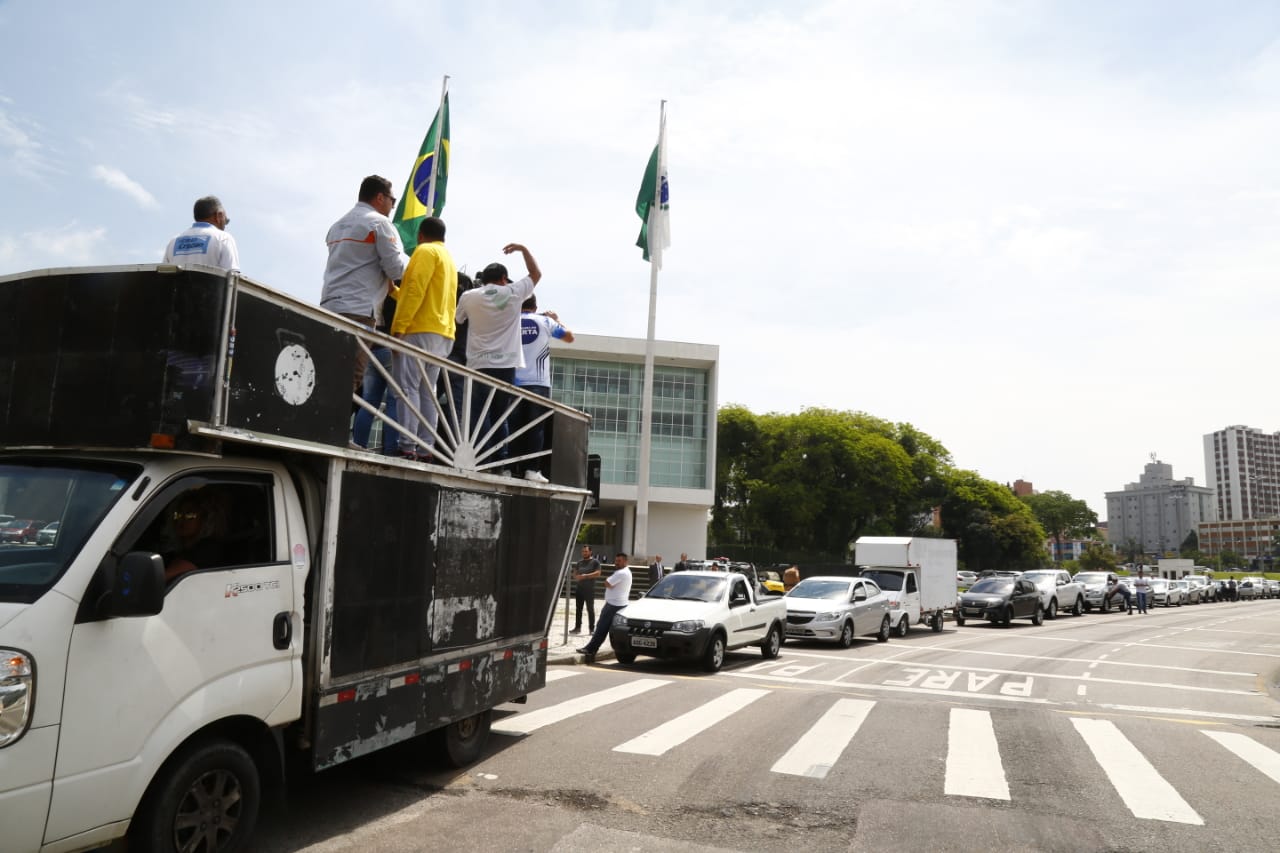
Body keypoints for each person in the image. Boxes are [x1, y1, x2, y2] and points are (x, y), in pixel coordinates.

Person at [320, 175, 410, 400]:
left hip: (329, 306)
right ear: (380, 198)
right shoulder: (380, 223)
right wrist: (416, 260)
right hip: (358, 310)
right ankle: (330, 433)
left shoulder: (337, 225)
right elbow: (397, 270)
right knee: (350, 376)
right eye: (393, 199)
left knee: (328, 373)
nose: (392, 205)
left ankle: (318, 430)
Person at [454, 244, 541, 470]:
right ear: (504, 278)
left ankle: (479, 458)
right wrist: (523, 250)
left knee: (477, 415)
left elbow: (458, 320)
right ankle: (499, 462)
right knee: (499, 416)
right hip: (505, 364)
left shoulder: (469, 296)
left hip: (477, 364)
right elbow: (536, 274)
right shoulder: (513, 293)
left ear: (484, 280)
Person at [389, 217, 457, 460]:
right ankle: (426, 447)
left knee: (407, 389)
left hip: (418, 330)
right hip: (442, 333)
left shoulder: (424, 251)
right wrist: (395, 292)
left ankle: (407, 446)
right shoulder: (448, 258)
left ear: (420, 234)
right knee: (428, 393)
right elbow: (425, 295)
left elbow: (416, 290)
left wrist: (398, 328)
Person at [512, 294, 574, 482]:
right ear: (535, 305)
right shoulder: (545, 321)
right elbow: (570, 338)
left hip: (512, 381)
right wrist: (557, 319)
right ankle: (531, 470)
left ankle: (506, 467)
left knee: (511, 425)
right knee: (535, 427)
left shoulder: (510, 321)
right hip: (538, 383)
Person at [351, 291, 400, 454]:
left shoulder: (377, 291)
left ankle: (358, 446)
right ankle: (391, 450)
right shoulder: (400, 293)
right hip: (392, 349)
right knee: (394, 401)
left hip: (372, 348)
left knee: (368, 402)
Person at [577, 552, 634, 660]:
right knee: (603, 628)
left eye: (619, 561)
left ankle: (590, 649)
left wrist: (608, 580)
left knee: (601, 628)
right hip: (619, 604)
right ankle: (592, 650)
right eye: (616, 560)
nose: (616, 563)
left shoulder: (621, 573)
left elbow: (607, 583)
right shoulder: (626, 572)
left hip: (613, 605)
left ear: (626, 561)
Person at [163, 196, 240, 271]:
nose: (224, 225)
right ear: (218, 215)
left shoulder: (173, 241)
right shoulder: (223, 238)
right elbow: (232, 277)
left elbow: (164, 273)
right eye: (226, 221)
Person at [163, 492, 226, 581]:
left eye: (190, 515)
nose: (180, 520)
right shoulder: (179, 550)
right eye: (178, 514)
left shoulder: (208, 548)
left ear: (205, 519)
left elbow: (162, 578)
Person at [570, 545, 601, 634]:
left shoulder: (595, 562)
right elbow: (575, 574)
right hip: (579, 589)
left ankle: (591, 629)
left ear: (590, 552)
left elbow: (598, 573)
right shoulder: (579, 562)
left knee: (590, 609)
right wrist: (576, 576)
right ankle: (577, 628)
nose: (584, 553)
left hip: (589, 589)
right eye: (583, 551)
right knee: (578, 609)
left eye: (586, 551)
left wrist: (586, 576)